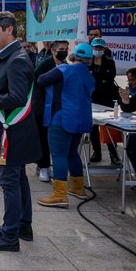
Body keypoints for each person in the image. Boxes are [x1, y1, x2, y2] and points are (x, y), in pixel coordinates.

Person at [0, 12, 41, 252]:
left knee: (9, 182)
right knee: (19, 180)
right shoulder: (9, 57)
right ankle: (24, 225)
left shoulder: (16, 59)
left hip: (12, 132)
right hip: (15, 131)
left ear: (9, 30)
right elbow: (11, 85)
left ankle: (9, 235)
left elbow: (16, 97)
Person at [36, 43, 95, 209]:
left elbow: (41, 80)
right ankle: (78, 188)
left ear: (74, 55)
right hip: (80, 119)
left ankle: (59, 195)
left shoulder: (65, 69)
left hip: (61, 118)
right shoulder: (88, 75)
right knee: (71, 153)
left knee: (59, 154)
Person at [33, 41, 69, 182]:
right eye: (61, 49)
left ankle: (47, 165)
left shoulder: (65, 64)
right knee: (43, 137)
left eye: (66, 49)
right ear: (53, 51)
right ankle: (43, 167)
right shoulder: (46, 64)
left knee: (52, 139)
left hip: (57, 106)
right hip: (42, 106)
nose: (64, 51)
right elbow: (35, 80)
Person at [89, 37, 121, 165]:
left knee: (109, 128)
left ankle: (114, 154)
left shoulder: (109, 62)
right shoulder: (88, 62)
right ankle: (97, 152)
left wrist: (97, 79)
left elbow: (109, 77)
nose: (98, 49)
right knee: (93, 128)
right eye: (95, 47)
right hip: (92, 99)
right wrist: (100, 80)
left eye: (100, 48)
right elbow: (91, 79)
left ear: (104, 49)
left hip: (107, 100)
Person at [118, 67, 136, 174]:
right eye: (129, 80)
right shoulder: (130, 89)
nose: (130, 83)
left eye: (133, 80)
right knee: (129, 144)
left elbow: (132, 105)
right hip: (133, 125)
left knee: (132, 144)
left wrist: (126, 100)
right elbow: (127, 107)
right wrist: (124, 99)